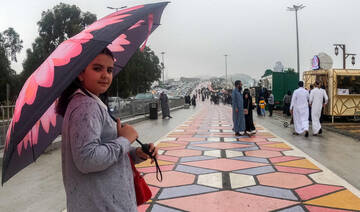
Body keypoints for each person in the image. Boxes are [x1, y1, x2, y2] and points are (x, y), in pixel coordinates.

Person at [56, 48, 158, 212]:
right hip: (103, 204)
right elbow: (87, 160)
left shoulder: (89, 102)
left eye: (109, 70)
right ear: (81, 74)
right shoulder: (86, 106)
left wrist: (136, 153)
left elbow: (105, 149)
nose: (105, 75)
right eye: (97, 69)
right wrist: (125, 140)